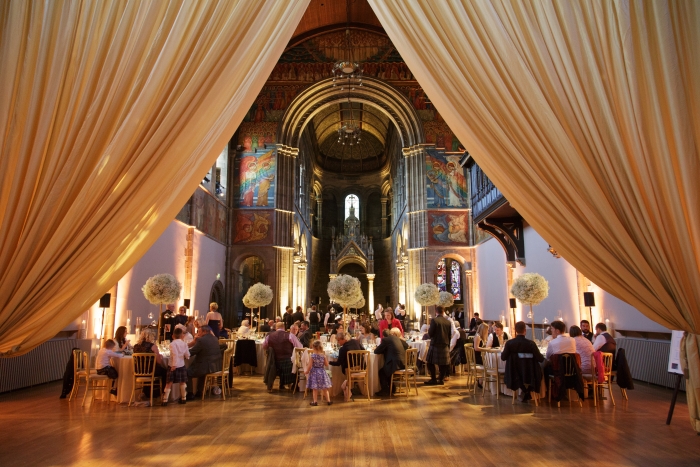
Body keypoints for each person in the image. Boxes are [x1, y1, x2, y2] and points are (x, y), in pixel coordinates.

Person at [500, 321, 544, 401]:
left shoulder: (510, 343)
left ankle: (524, 390)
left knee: (518, 375)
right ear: (525, 330)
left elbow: (503, 357)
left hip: (514, 372)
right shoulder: (531, 344)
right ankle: (527, 391)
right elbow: (540, 359)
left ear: (515, 330)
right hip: (530, 372)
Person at [186, 325, 224, 400]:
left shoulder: (201, 340)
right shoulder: (215, 338)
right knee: (201, 372)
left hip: (206, 366)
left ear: (204, 331)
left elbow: (191, 353)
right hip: (215, 366)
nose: (198, 334)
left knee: (187, 373)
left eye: (199, 332)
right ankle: (200, 391)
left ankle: (189, 394)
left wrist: (183, 350)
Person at [263, 322, 302, 391]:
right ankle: (293, 385)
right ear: (284, 327)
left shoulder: (269, 336)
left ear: (276, 328)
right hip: (288, 362)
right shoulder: (290, 335)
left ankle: (280, 384)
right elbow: (299, 347)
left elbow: (264, 346)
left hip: (274, 362)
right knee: (297, 364)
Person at [133, 328, 167, 399]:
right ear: (151, 336)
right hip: (152, 371)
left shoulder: (136, 346)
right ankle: (161, 394)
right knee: (165, 372)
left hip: (138, 371)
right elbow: (159, 362)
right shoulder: (153, 346)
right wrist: (159, 357)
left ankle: (146, 392)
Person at [374, 329, 409, 396]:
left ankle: (385, 390)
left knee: (382, 372)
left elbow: (376, 351)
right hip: (403, 363)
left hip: (395, 363)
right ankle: (392, 388)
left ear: (384, 336)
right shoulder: (397, 338)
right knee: (387, 370)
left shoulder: (386, 340)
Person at [424, 305, 452, 386]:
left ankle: (433, 379)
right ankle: (440, 379)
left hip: (435, 344)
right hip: (445, 344)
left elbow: (430, 333)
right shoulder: (448, 322)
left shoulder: (434, 321)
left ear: (436, 312)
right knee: (443, 363)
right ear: (443, 312)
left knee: (430, 362)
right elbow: (449, 335)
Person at [162, 327, 190, 406]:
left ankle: (165, 399)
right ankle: (183, 398)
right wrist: (187, 357)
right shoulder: (184, 343)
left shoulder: (172, 344)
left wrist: (174, 365)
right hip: (181, 364)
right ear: (182, 336)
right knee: (182, 382)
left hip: (172, 365)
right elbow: (187, 354)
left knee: (169, 382)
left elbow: (175, 354)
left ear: (173, 336)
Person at [304, 340, 333, 406]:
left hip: (314, 373)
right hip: (322, 372)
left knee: (315, 389)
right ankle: (328, 401)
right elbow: (326, 364)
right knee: (325, 388)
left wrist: (307, 371)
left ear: (313, 348)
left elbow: (310, 365)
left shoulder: (312, 356)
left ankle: (315, 401)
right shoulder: (323, 356)